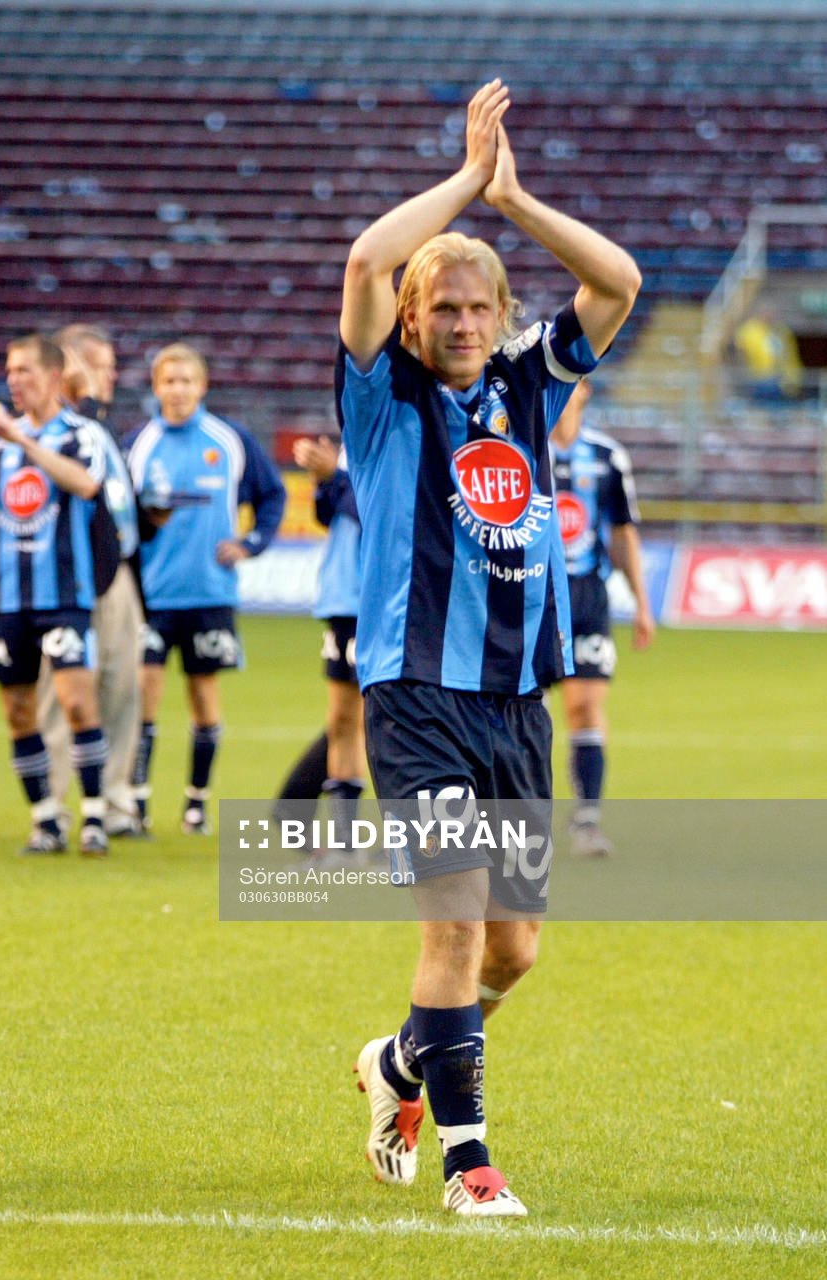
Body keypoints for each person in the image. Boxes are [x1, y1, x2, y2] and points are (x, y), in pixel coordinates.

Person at [338, 80, 640, 1217]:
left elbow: (618, 284)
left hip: (514, 698)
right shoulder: (382, 395)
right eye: (441, 309)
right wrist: (463, 182)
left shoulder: (526, 379)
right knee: (457, 921)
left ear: (499, 313)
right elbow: (369, 262)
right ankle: (468, 1161)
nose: (461, 324)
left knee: (514, 951)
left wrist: (514, 200)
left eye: (477, 307)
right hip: (416, 691)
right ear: (412, 323)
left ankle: (401, 1062)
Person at [0, 334, 111, 855]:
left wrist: (24, 441)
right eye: (10, 370)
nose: (13, 379)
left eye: (25, 370)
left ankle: (94, 818)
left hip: (65, 597)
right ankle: (45, 821)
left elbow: (84, 484)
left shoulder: (80, 433)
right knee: (16, 710)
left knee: (78, 705)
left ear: (54, 378)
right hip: (8, 603)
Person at [123, 343, 286, 835]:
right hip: (150, 596)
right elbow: (117, 512)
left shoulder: (228, 439)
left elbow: (272, 493)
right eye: (168, 381)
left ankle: (196, 803)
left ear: (202, 386)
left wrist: (251, 542)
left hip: (211, 594)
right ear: (155, 387)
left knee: (203, 697)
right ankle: (137, 802)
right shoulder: (137, 444)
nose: (177, 390)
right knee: (143, 697)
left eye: (186, 381)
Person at [37, 323, 146, 838]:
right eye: (101, 365)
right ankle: (56, 806)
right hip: (73, 576)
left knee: (124, 687)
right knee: (67, 693)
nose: (113, 375)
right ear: (73, 369)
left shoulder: (101, 426)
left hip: (119, 569)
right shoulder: (58, 428)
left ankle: (118, 802)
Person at [550, 378, 655, 857]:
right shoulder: (520, 449)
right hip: (529, 596)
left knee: (585, 706)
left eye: (570, 383)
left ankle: (587, 823)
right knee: (518, 711)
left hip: (588, 596)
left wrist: (642, 604)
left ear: (585, 390)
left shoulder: (607, 456)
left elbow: (623, 533)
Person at [274, 434, 367, 862]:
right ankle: (346, 843)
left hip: (385, 605)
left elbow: (387, 506)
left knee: (381, 725)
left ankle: (420, 841)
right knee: (345, 721)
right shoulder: (353, 440)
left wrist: (337, 478)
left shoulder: (410, 430)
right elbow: (334, 515)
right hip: (343, 602)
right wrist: (325, 481)